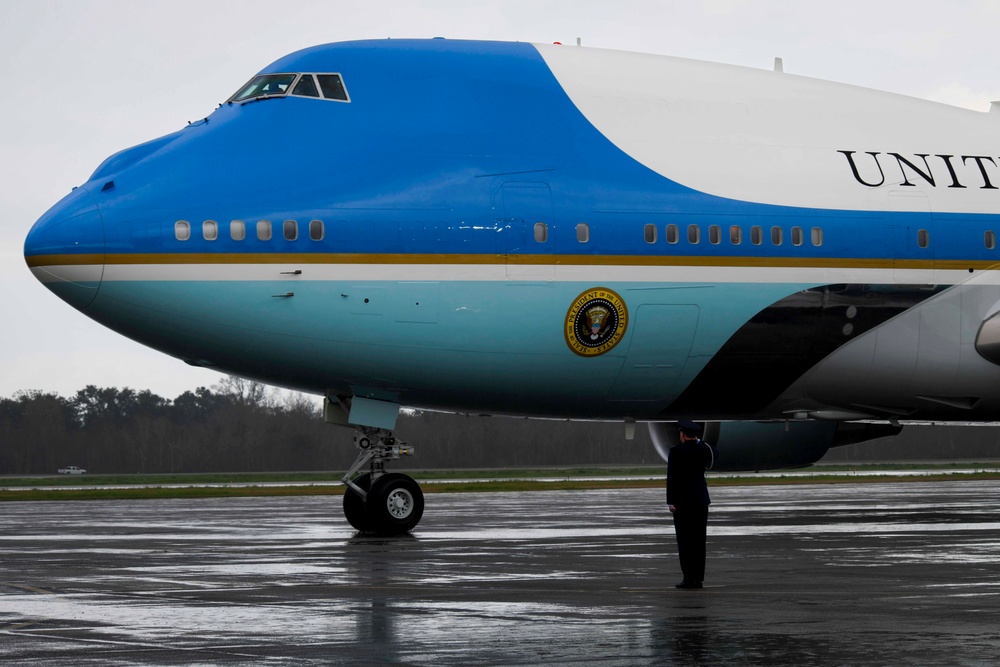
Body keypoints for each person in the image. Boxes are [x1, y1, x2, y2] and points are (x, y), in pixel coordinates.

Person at [667, 419, 718, 589]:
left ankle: (688, 578)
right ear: (695, 435)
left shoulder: (675, 452)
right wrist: (700, 442)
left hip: (683, 503)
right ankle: (698, 578)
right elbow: (715, 454)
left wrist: (671, 501)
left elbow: (672, 478)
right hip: (701, 501)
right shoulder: (702, 449)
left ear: (682, 434)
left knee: (685, 541)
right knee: (698, 541)